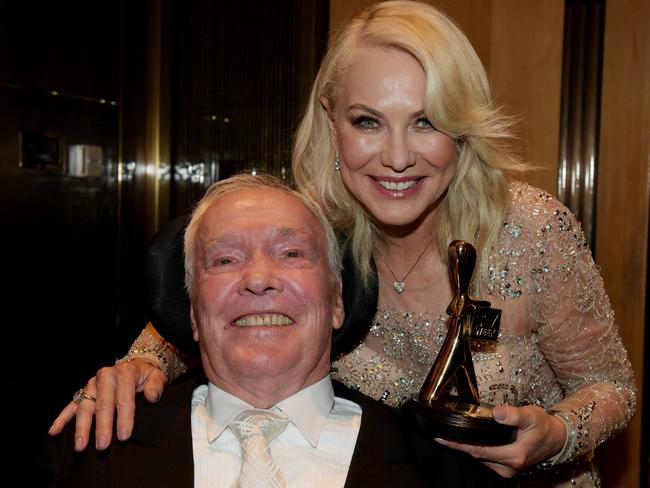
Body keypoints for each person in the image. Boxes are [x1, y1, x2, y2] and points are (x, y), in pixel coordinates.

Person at [49, 2, 636, 486]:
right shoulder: (309, 233)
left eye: (426, 121)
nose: (399, 157)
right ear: (330, 121)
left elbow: (614, 387)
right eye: (368, 121)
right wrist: (129, 371)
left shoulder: (530, 230)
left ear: (461, 128)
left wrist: (556, 434)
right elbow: (206, 308)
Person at [45, 173, 503, 487]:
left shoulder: (448, 470)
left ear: (338, 299)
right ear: (192, 311)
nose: (258, 278)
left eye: (291, 254)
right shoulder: (90, 456)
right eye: (225, 260)